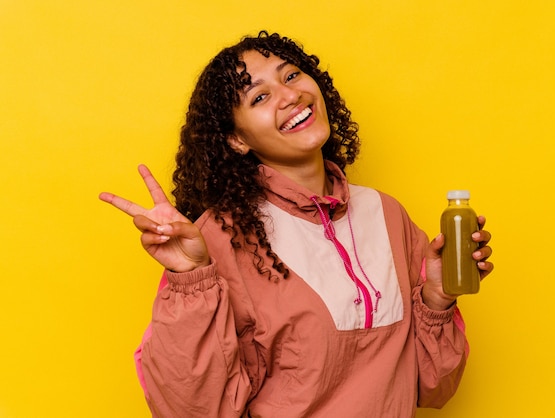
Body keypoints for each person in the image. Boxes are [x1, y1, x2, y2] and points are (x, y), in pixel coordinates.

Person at [99, 30, 493, 418]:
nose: (291, 96)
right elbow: (190, 410)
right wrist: (190, 280)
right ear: (237, 140)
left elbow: (433, 387)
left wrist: (437, 299)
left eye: (291, 76)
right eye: (260, 96)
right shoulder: (219, 237)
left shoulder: (387, 214)